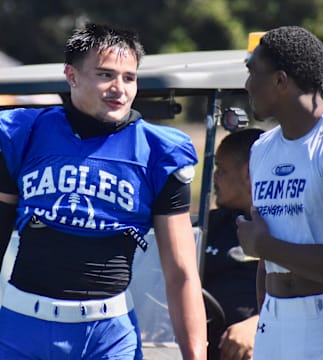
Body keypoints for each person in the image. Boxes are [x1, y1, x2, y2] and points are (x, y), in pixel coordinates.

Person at [0, 23, 207, 359]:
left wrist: (195, 357)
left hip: (107, 336)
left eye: (129, 77)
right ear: (72, 76)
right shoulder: (25, 133)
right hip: (22, 328)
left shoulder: (158, 151)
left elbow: (181, 271)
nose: (119, 88)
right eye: (105, 74)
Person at [237, 25, 323, 359]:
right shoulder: (262, 148)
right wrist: (265, 315)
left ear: (280, 81)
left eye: (253, 73)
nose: (247, 85)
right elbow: (266, 261)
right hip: (274, 323)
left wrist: (265, 246)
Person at [203, 128, 264, 360]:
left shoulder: (285, 227)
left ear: (249, 173)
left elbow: (308, 292)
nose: (215, 177)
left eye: (221, 169)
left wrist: (260, 325)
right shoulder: (211, 225)